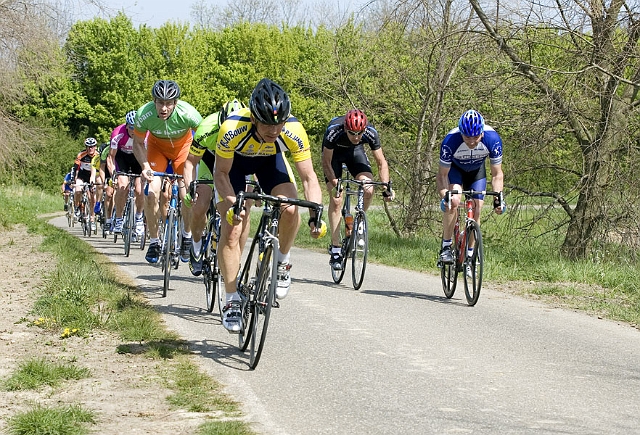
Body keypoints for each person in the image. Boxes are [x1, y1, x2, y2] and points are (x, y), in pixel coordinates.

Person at [214, 78, 325, 333]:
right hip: (235, 168)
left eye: (279, 124)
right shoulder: (232, 127)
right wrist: (233, 204)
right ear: (253, 118)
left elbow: (309, 179)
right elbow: (221, 174)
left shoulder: (294, 130)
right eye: (267, 124)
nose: (274, 130)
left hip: (269, 164)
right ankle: (231, 298)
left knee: (290, 208)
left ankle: (283, 263)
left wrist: (315, 214)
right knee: (233, 227)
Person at [132, 80, 203, 264]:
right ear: (154, 101)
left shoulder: (189, 113)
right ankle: (154, 241)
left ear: (175, 103)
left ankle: (186, 236)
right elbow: (138, 144)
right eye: (160, 102)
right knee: (151, 192)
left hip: (183, 150)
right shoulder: (144, 114)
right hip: (157, 149)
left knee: (187, 194)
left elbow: (204, 140)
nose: (164, 108)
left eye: (168, 103)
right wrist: (146, 166)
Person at [321, 109, 394, 270]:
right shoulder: (333, 131)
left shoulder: (371, 132)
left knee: (368, 189)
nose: (356, 137)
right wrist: (335, 184)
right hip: (334, 158)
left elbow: (381, 163)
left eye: (359, 133)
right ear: (345, 128)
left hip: (355, 154)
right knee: (336, 198)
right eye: (352, 133)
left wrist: (386, 187)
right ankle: (335, 248)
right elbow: (326, 162)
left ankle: (359, 220)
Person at [183, 99, 246, 277]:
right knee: (200, 203)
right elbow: (190, 163)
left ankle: (235, 263)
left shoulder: (248, 128)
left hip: (233, 165)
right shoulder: (206, 128)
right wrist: (190, 188)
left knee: (243, 210)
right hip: (208, 162)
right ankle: (195, 248)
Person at [437, 109, 505, 269]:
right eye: (468, 137)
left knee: (478, 207)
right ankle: (446, 247)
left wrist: (498, 198)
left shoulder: (493, 139)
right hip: (455, 171)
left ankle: (469, 255)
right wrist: (444, 196)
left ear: (482, 132)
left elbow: (497, 174)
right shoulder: (450, 141)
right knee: (454, 201)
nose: (472, 141)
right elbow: (441, 176)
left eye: (476, 136)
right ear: (461, 133)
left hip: (476, 173)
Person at [109, 110, 145, 237]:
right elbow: (111, 157)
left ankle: (139, 217)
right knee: (122, 185)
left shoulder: (145, 134)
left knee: (140, 190)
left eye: (136, 128)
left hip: (138, 158)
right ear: (126, 126)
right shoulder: (117, 133)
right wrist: (113, 173)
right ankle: (119, 219)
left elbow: (149, 156)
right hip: (122, 158)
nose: (133, 131)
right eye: (130, 127)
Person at [72, 137, 99, 231]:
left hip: (93, 177)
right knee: (78, 190)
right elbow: (74, 168)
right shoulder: (81, 155)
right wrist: (72, 179)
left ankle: (92, 218)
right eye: (88, 147)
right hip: (82, 176)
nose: (90, 149)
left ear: (95, 147)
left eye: (92, 146)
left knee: (93, 198)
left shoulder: (98, 156)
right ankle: (77, 207)